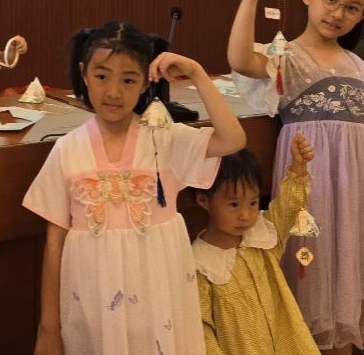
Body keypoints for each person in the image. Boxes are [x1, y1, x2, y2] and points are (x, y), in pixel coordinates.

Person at [227, 0, 364, 355]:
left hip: (363, 193)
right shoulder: (287, 56)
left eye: (351, 8)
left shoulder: (359, 66)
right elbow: (240, 60)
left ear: (362, 15)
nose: (337, 13)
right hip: (314, 187)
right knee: (320, 294)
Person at [24, 22, 246, 355]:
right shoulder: (67, 150)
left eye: (128, 80)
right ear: (84, 74)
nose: (114, 91)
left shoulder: (164, 140)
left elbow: (233, 139)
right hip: (94, 307)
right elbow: (54, 241)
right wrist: (49, 328)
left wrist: (196, 73)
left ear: (145, 83)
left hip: (159, 306)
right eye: (102, 76)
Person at [192, 137, 321, 355]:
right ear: (204, 200)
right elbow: (201, 330)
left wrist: (299, 168)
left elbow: (288, 208)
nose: (245, 215)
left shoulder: (263, 236)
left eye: (252, 203)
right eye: (234, 204)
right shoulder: (200, 264)